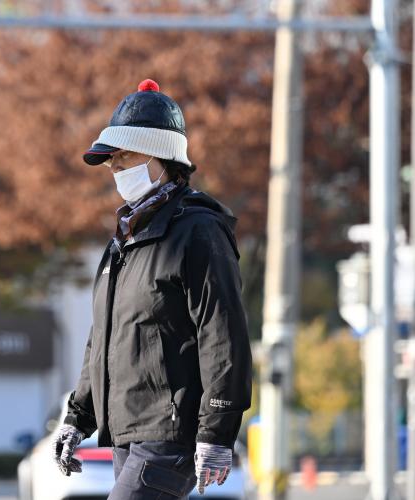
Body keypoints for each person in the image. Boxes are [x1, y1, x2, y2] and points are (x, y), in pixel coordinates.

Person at [51, 79, 253, 500]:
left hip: (172, 435)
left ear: (162, 157)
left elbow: (223, 332)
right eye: (111, 159)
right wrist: (78, 418)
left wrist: (217, 432)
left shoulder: (199, 230)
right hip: (128, 434)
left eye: (125, 155)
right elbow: (102, 339)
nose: (114, 167)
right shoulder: (125, 240)